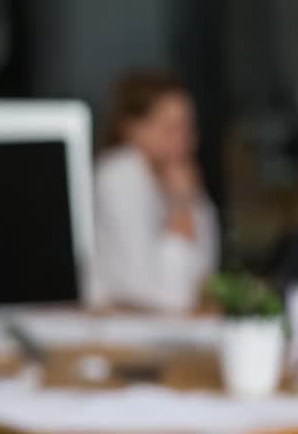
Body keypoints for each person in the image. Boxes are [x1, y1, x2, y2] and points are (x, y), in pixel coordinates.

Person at [91, 69, 219, 313]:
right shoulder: (120, 174)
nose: (184, 139)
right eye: (170, 128)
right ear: (132, 129)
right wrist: (181, 207)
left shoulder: (179, 177)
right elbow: (168, 295)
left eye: (188, 128)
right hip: (122, 331)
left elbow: (205, 279)